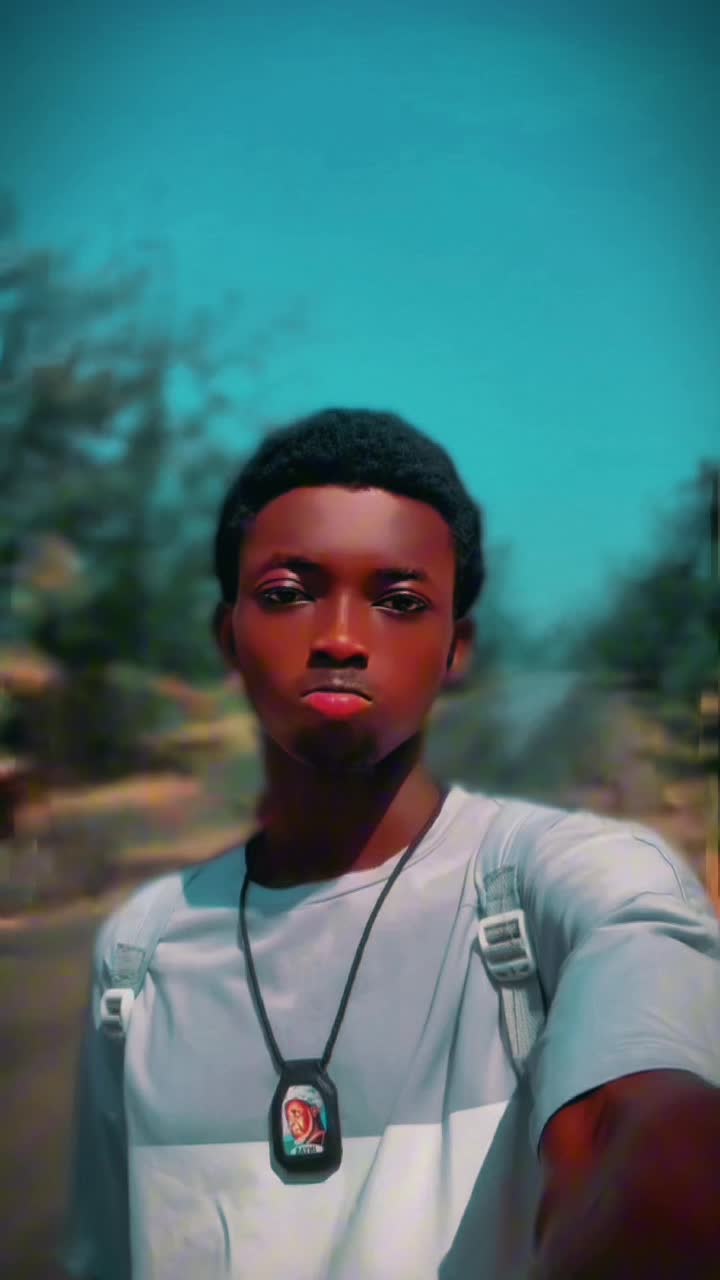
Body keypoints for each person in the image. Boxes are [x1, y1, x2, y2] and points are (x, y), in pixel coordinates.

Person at [59, 408, 720, 1279]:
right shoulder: (139, 952)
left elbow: (645, 1143)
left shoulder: (574, 887)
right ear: (228, 636)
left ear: (456, 648)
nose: (339, 637)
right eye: (287, 593)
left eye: (400, 603)